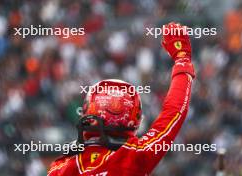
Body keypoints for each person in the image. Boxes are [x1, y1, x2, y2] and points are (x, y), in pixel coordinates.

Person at [47, 22, 195, 176]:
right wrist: (182, 60)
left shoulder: (60, 167)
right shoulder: (135, 155)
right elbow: (174, 112)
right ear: (134, 116)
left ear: (88, 110)